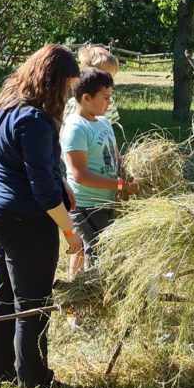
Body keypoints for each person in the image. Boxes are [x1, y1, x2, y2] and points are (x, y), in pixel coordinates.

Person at [0, 44, 82, 388]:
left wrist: (60, 179)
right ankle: (35, 381)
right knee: (33, 304)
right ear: (52, 81)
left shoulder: (7, 106)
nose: (67, 96)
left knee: (4, 297)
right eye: (66, 87)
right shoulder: (35, 120)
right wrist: (70, 232)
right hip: (25, 221)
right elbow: (42, 194)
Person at [60, 68, 139, 276]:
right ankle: (89, 297)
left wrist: (125, 174)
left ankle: (101, 295)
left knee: (110, 250)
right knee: (97, 253)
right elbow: (80, 176)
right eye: (105, 98)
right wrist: (121, 185)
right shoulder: (76, 129)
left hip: (107, 201)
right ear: (86, 97)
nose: (109, 103)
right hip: (86, 206)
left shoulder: (104, 122)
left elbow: (115, 153)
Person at [63, 45, 120, 122]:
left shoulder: (109, 102)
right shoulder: (75, 103)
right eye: (104, 78)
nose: (110, 82)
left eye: (111, 78)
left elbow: (109, 127)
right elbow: (67, 127)